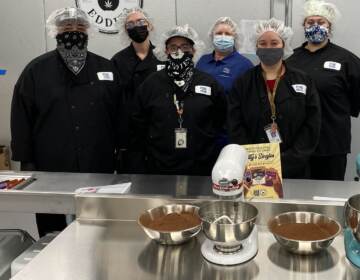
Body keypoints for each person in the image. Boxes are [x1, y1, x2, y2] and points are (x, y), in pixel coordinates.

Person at [11, 8, 122, 236]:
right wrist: (27, 162)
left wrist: (122, 155)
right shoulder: (35, 71)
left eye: (80, 28)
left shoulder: (106, 68)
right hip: (51, 166)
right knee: (52, 228)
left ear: (89, 32)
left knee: (97, 225)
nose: (74, 32)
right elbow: (21, 118)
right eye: (67, 28)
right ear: (55, 32)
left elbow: (120, 113)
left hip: (98, 163)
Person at [228, 18, 321, 179]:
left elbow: (312, 124)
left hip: (296, 168)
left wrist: (291, 160)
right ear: (255, 47)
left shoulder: (303, 80)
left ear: (284, 45)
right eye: (262, 43)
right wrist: (252, 157)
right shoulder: (243, 82)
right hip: (253, 167)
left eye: (274, 43)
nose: (268, 48)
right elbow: (234, 123)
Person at [129, 24, 227, 175]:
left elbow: (221, 119)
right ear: (165, 51)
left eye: (185, 46)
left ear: (194, 50)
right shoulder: (150, 84)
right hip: (159, 168)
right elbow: (138, 125)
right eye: (173, 47)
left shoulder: (209, 83)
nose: (179, 51)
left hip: (202, 167)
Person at [286, 0, 360, 181]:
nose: (316, 26)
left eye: (321, 22)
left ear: (330, 26)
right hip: (296, 145)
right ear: (303, 25)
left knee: (328, 194)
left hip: (331, 144)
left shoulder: (347, 59)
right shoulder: (290, 59)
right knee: (296, 196)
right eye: (310, 22)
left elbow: (356, 99)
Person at [111, 8, 165, 172]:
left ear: (150, 26)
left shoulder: (162, 57)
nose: (137, 26)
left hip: (159, 130)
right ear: (125, 30)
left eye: (141, 22)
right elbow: (113, 100)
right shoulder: (117, 61)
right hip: (130, 136)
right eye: (131, 24)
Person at [196, 17, 253, 94]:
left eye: (228, 34)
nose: (223, 37)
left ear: (234, 38)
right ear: (212, 36)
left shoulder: (244, 65)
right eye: (219, 33)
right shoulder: (203, 61)